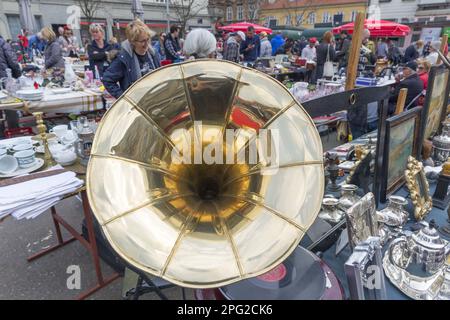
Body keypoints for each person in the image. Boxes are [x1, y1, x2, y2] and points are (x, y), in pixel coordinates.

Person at [102, 19, 161, 99]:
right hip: (136, 104)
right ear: (133, 42)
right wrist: (123, 98)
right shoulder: (123, 58)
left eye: (148, 39)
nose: (147, 44)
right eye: (142, 41)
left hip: (154, 100)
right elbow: (107, 79)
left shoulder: (154, 54)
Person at [0, 35, 22, 135]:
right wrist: (17, 75)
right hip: (4, 78)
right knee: (10, 106)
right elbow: (13, 62)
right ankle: (14, 131)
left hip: (3, 76)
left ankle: (1, 132)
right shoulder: (3, 44)